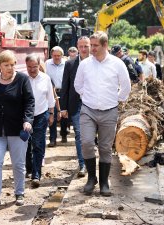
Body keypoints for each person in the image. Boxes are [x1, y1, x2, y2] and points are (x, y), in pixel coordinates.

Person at [75, 31, 131, 196]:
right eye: (90, 45)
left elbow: (126, 86)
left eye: (95, 45)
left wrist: (116, 99)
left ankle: (104, 182)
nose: (91, 49)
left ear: (105, 45)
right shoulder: (85, 64)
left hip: (109, 111)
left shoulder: (117, 64)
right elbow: (78, 85)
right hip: (88, 110)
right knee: (86, 142)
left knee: (105, 147)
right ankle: (91, 178)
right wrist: (86, 96)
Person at [0, 50, 35, 207]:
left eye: (12, 64)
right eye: (7, 65)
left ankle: (19, 193)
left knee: (18, 163)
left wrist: (28, 120)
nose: (10, 68)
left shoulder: (22, 79)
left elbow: (29, 102)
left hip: (17, 128)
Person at [60, 36, 90, 178]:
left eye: (86, 46)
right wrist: (63, 107)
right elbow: (65, 86)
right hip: (76, 104)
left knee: (91, 136)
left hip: (94, 103)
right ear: (77, 47)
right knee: (79, 134)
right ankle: (83, 164)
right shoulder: (70, 64)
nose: (84, 49)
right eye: (81, 46)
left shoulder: (96, 62)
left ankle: (91, 160)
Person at [25, 54, 55, 188]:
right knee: (26, 144)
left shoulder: (45, 78)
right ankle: (29, 167)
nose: (32, 70)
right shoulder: (22, 79)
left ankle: (36, 174)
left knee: (38, 144)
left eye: (35, 67)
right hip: (25, 116)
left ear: (39, 66)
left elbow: (50, 97)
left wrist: (52, 113)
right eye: (29, 67)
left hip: (41, 115)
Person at [45, 46, 67, 146]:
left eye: (58, 55)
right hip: (52, 92)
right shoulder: (47, 64)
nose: (56, 57)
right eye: (54, 55)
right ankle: (52, 139)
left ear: (62, 56)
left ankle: (63, 134)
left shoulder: (66, 64)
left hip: (63, 92)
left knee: (63, 114)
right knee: (52, 114)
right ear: (51, 55)